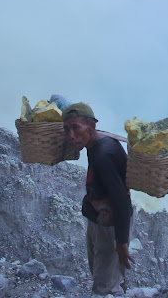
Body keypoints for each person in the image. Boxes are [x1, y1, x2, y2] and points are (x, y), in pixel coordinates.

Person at [63, 102, 134, 295]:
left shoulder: (104, 154)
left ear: (91, 126)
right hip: (100, 219)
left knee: (104, 287)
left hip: (110, 226)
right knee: (105, 275)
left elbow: (120, 199)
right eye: (66, 129)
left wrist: (121, 242)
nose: (71, 135)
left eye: (75, 128)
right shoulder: (95, 141)